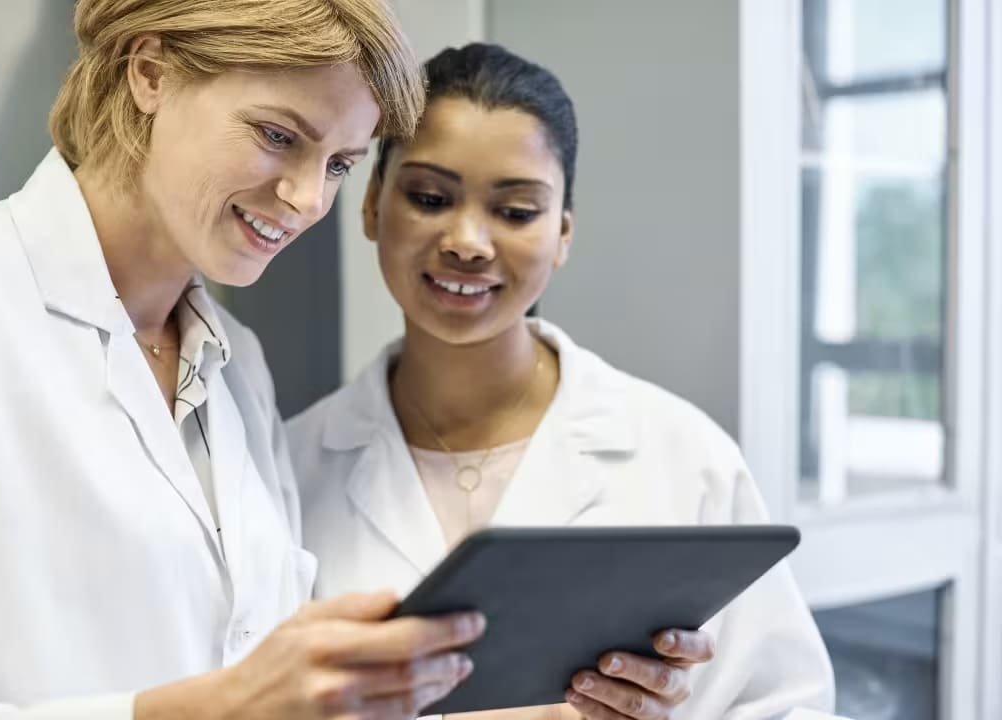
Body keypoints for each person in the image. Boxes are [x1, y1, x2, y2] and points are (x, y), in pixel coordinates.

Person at [0, 2, 486, 718]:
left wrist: (555, 710)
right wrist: (211, 707)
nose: (308, 198)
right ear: (151, 72)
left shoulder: (236, 367)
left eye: (340, 163)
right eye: (279, 136)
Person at [287, 43, 836, 720]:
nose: (468, 241)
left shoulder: (682, 458)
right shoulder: (286, 470)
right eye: (430, 197)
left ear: (563, 234)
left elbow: (790, 706)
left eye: (516, 212)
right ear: (372, 205)